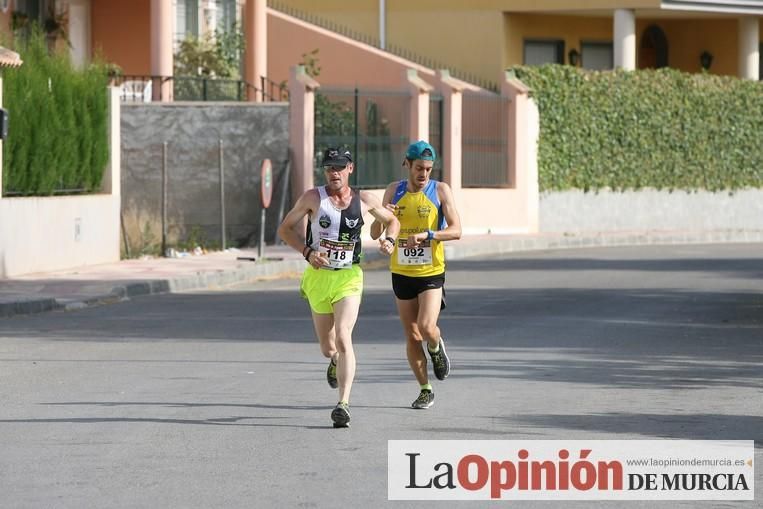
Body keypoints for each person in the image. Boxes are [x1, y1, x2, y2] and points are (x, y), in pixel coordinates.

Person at [278, 147, 400, 428]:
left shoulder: (365, 199)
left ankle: (343, 403)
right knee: (327, 346)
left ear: (350, 169)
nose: (334, 172)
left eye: (339, 167)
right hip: (319, 277)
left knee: (344, 336)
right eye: (330, 167)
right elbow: (285, 229)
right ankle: (334, 360)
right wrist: (308, 252)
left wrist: (389, 241)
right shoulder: (313, 198)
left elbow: (392, 221)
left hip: (348, 277)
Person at [370, 140, 462, 410]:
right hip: (401, 271)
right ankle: (425, 389)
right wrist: (384, 217)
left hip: (431, 271)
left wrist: (430, 235)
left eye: (429, 169)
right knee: (411, 334)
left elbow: (456, 230)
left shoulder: (440, 190)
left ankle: (436, 346)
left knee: (426, 327)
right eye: (419, 168)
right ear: (406, 165)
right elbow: (376, 233)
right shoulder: (393, 191)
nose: (424, 175)